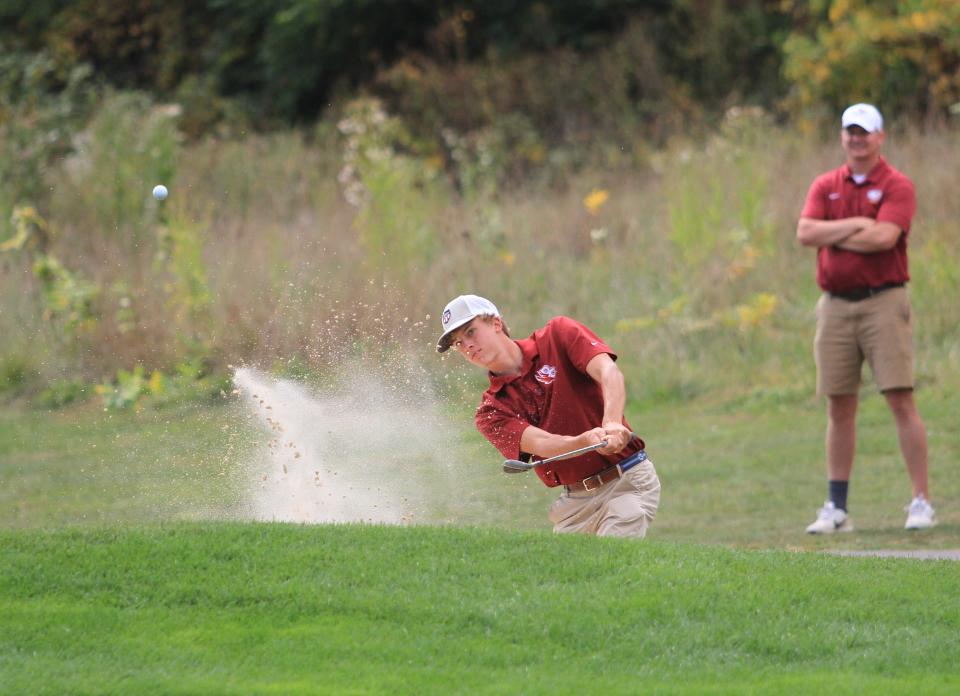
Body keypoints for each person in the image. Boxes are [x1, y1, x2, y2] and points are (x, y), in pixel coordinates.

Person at [796, 103, 935, 533]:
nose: (856, 139)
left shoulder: (897, 185)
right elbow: (804, 232)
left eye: (864, 132)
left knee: (899, 397)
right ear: (842, 137)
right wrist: (857, 222)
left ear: (880, 137)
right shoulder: (826, 184)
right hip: (835, 305)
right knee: (839, 405)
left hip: (884, 302)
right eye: (849, 131)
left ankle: (921, 501)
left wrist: (833, 233)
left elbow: (884, 238)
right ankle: (837, 508)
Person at [436, 294, 660, 537]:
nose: (467, 346)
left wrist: (613, 423)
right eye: (458, 343)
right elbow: (542, 443)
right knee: (571, 575)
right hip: (574, 503)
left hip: (626, 481)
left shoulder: (558, 335)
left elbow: (609, 372)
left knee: (613, 558)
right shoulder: (490, 412)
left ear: (496, 324)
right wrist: (585, 441)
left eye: (471, 331)